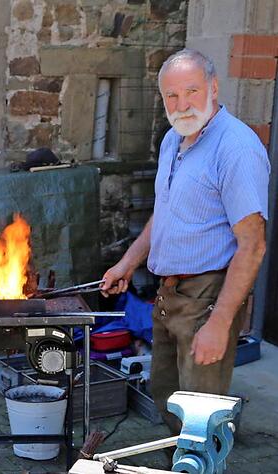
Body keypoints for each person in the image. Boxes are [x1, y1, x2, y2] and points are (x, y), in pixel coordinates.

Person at [101, 49, 268, 436]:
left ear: (213, 86)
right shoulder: (174, 140)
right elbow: (167, 212)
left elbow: (253, 246)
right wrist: (128, 263)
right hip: (169, 294)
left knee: (200, 417)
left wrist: (220, 323)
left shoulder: (236, 148)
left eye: (191, 91)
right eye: (171, 96)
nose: (182, 103)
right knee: (168, 400)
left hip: (207, 296)